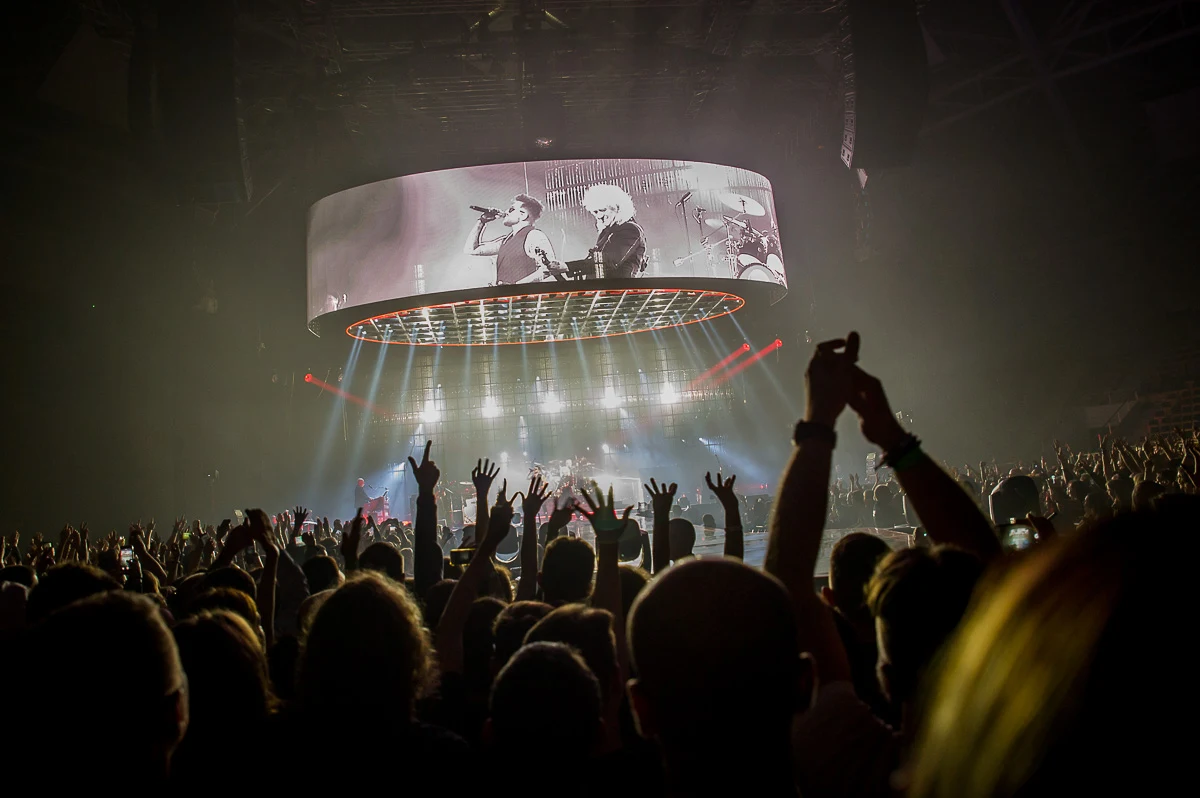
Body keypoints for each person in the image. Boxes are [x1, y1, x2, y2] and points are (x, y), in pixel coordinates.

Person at [463, 194, 558, 285]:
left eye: (511, 209)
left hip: (525, 299)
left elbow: (552, 267)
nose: (506, 211)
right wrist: (482, 221)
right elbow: (471, 250)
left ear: (523, 215)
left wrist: (517, 286)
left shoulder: (534, 235)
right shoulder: (506, 240)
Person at [576, 183, 647, 279]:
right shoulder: (606, 232)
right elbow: (596, 262)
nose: (599, 216)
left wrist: (568, 267)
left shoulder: (630, 229)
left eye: (602, 210)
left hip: (619, 291)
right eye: (595, 212)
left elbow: (609, 262)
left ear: (617, 208)